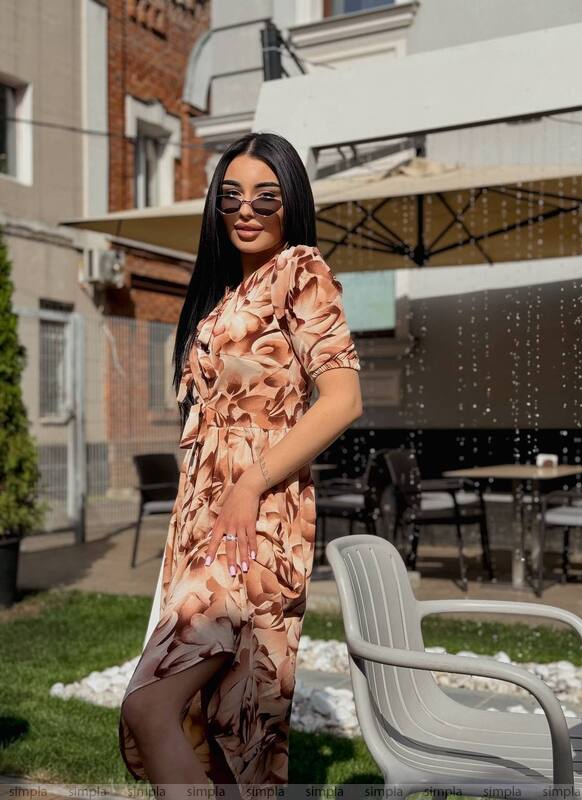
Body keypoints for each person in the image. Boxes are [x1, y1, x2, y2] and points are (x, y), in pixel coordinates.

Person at [118, 131, 363, 800]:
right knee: (217, 728)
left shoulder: (299, 269)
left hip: (253, 523)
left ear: (291, 203)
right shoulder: (229, 292)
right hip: (203, 519)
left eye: (265, 196)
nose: (246, 209)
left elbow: (343, 398)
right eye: (231, 196)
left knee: (153, 706)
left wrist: (250, 484)